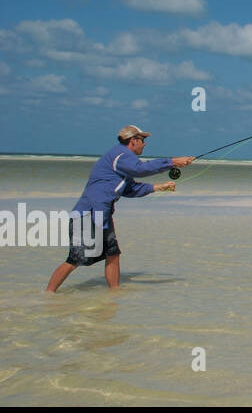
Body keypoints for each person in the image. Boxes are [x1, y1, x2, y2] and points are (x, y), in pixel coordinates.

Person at [44, 125, 195, 292]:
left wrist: (160, 187)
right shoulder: (120, 156)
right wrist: (172, 162)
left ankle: (114, 294)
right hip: (89, 214)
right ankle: (48, 295)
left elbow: (131, 189)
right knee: (75, 260)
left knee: (113, 254)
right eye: (142, 140)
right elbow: (140, 169)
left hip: (103, 215)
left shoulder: (123, 161)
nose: (144, 144)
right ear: (133, 141)